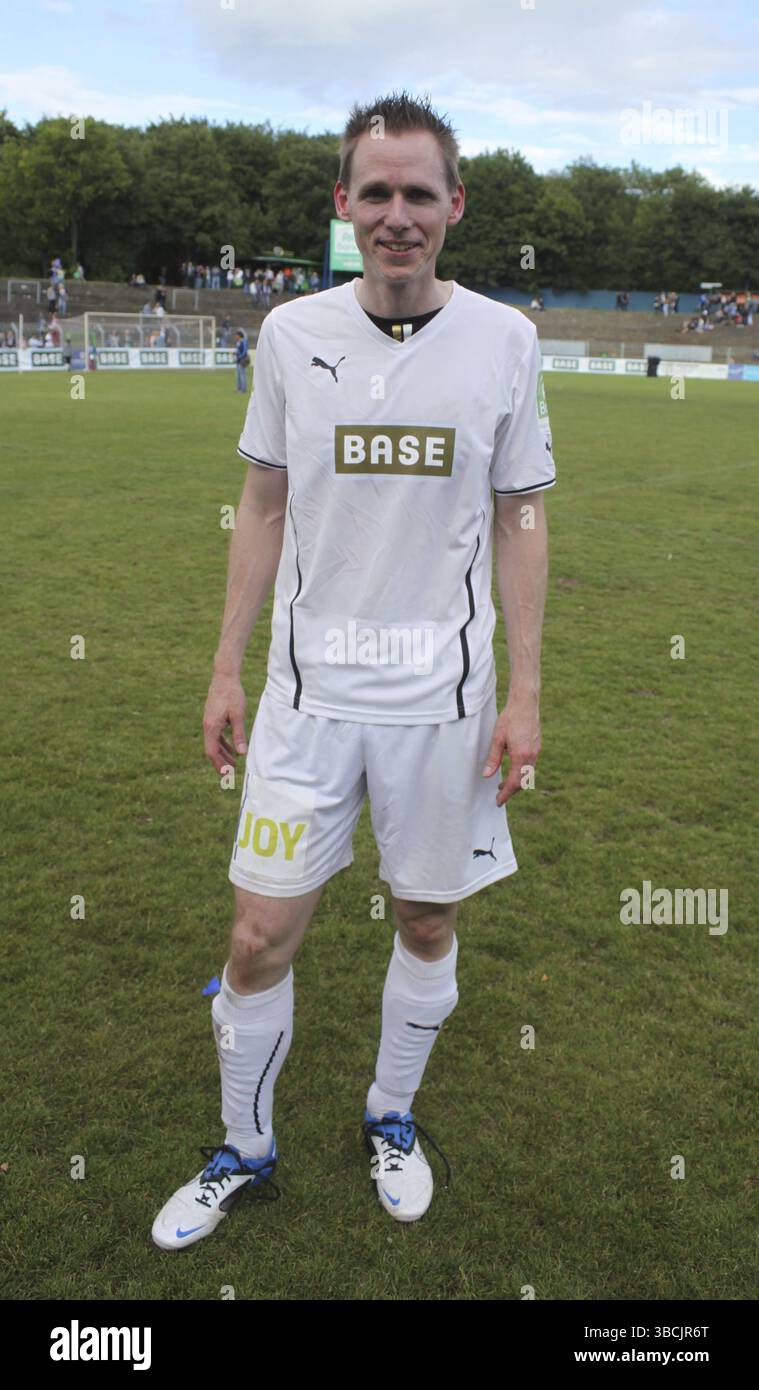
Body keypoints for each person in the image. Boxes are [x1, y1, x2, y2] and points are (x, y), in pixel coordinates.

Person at [152, 89, 556, 1251]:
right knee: (254, 939)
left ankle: (391, 1113)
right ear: (343, 205)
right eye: (373, 192)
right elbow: (264, 499)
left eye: (417, 193)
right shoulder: (291, 334)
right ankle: (245, 1144)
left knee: (426, 921)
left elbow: (522, 518)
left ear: (454, 206)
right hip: (307, 703)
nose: (396, 215)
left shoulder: (506, 342)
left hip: (445, 706)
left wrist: (526, 692)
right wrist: (226, 665)